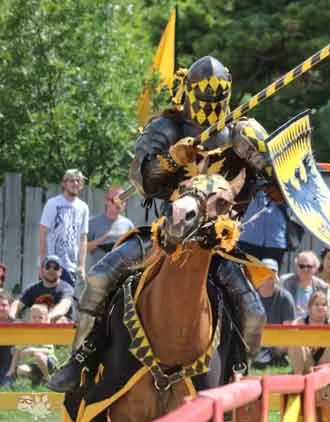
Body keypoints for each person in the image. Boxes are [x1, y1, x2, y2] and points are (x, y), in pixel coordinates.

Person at [49, 55, 277, 392]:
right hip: (164, 235)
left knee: (253, 313)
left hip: (217, 244)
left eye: (217, 98)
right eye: (204, 98)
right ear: (188, 93)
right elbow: (142, 180)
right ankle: (81, 358)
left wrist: (258, 156)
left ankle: (236, 374)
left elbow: (279, 182)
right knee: (99, 278)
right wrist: (173, 158)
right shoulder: (166, 128)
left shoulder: (243, 130)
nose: (210, 106)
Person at [39, 169, 90, 288]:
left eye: (78, 181)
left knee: (68, 303)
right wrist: (42, 263)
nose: (75, 183)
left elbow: (83, 238)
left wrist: (82, 266)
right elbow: (43, 233)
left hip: (71, 267)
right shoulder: (53, 204)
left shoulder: (83, 207)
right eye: (72, 180)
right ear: (64, 183)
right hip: (51, 265)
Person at [287, 290, 330, 374]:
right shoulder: (300, 322)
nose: (320, 307)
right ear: (309, 307)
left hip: (326, 363)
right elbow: (291, 332)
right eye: (316, 304)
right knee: (295, 342)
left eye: (324, 305)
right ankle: (298, 378)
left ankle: (325, 375)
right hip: (306, 363)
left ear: (328, 308)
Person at [252, 258, 295, 369]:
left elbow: (288, 329)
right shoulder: (250, 296)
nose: (268, 275)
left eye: (272, 271)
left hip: (276, 341)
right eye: (264, 271)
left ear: (277, 276)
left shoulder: (285, 297)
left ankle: (273, 357)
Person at [7, 304, 57, 386]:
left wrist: (33, 350)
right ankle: (37, 379)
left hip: (49, 363)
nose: (37, 320)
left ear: (45, 319)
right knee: (20, 369)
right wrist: (12, 368)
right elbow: (17, 351)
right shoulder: (27, 334)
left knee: (38, 355)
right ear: (30, 319)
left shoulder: (46, 332)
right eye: (34, 317)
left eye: (40, 318)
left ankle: (48, 378)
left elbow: (48, 350)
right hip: (35, 365)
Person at [12, 256, 74, 323]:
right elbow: (17, 304)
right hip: (36, 327)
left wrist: (48, 317)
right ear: (42, 270)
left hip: (59, 329)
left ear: (61, 271)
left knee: (61, 320)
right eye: (48, 267)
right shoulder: (32, 288)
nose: (51, 270)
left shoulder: (67, 288)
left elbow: (64, 306)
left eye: (56, 268)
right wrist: (12, 317)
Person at [86, 186, 134, 269]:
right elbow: (84, 249)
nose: (119, 204)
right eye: (115, 200)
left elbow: (133, 251)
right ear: (106, 201)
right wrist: (104, 237)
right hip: (98, 274)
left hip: (120, 275)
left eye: (122, 201)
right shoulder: (92, 223)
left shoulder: (128, 225)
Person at [280, 251, 329, 319]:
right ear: (297, 267)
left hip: (312, 323)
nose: (305, 269)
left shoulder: (322, 286)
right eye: (302, 266)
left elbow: (326, 312)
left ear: (315, 268)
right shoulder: (286, 281)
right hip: (290, 322)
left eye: (309, 266)